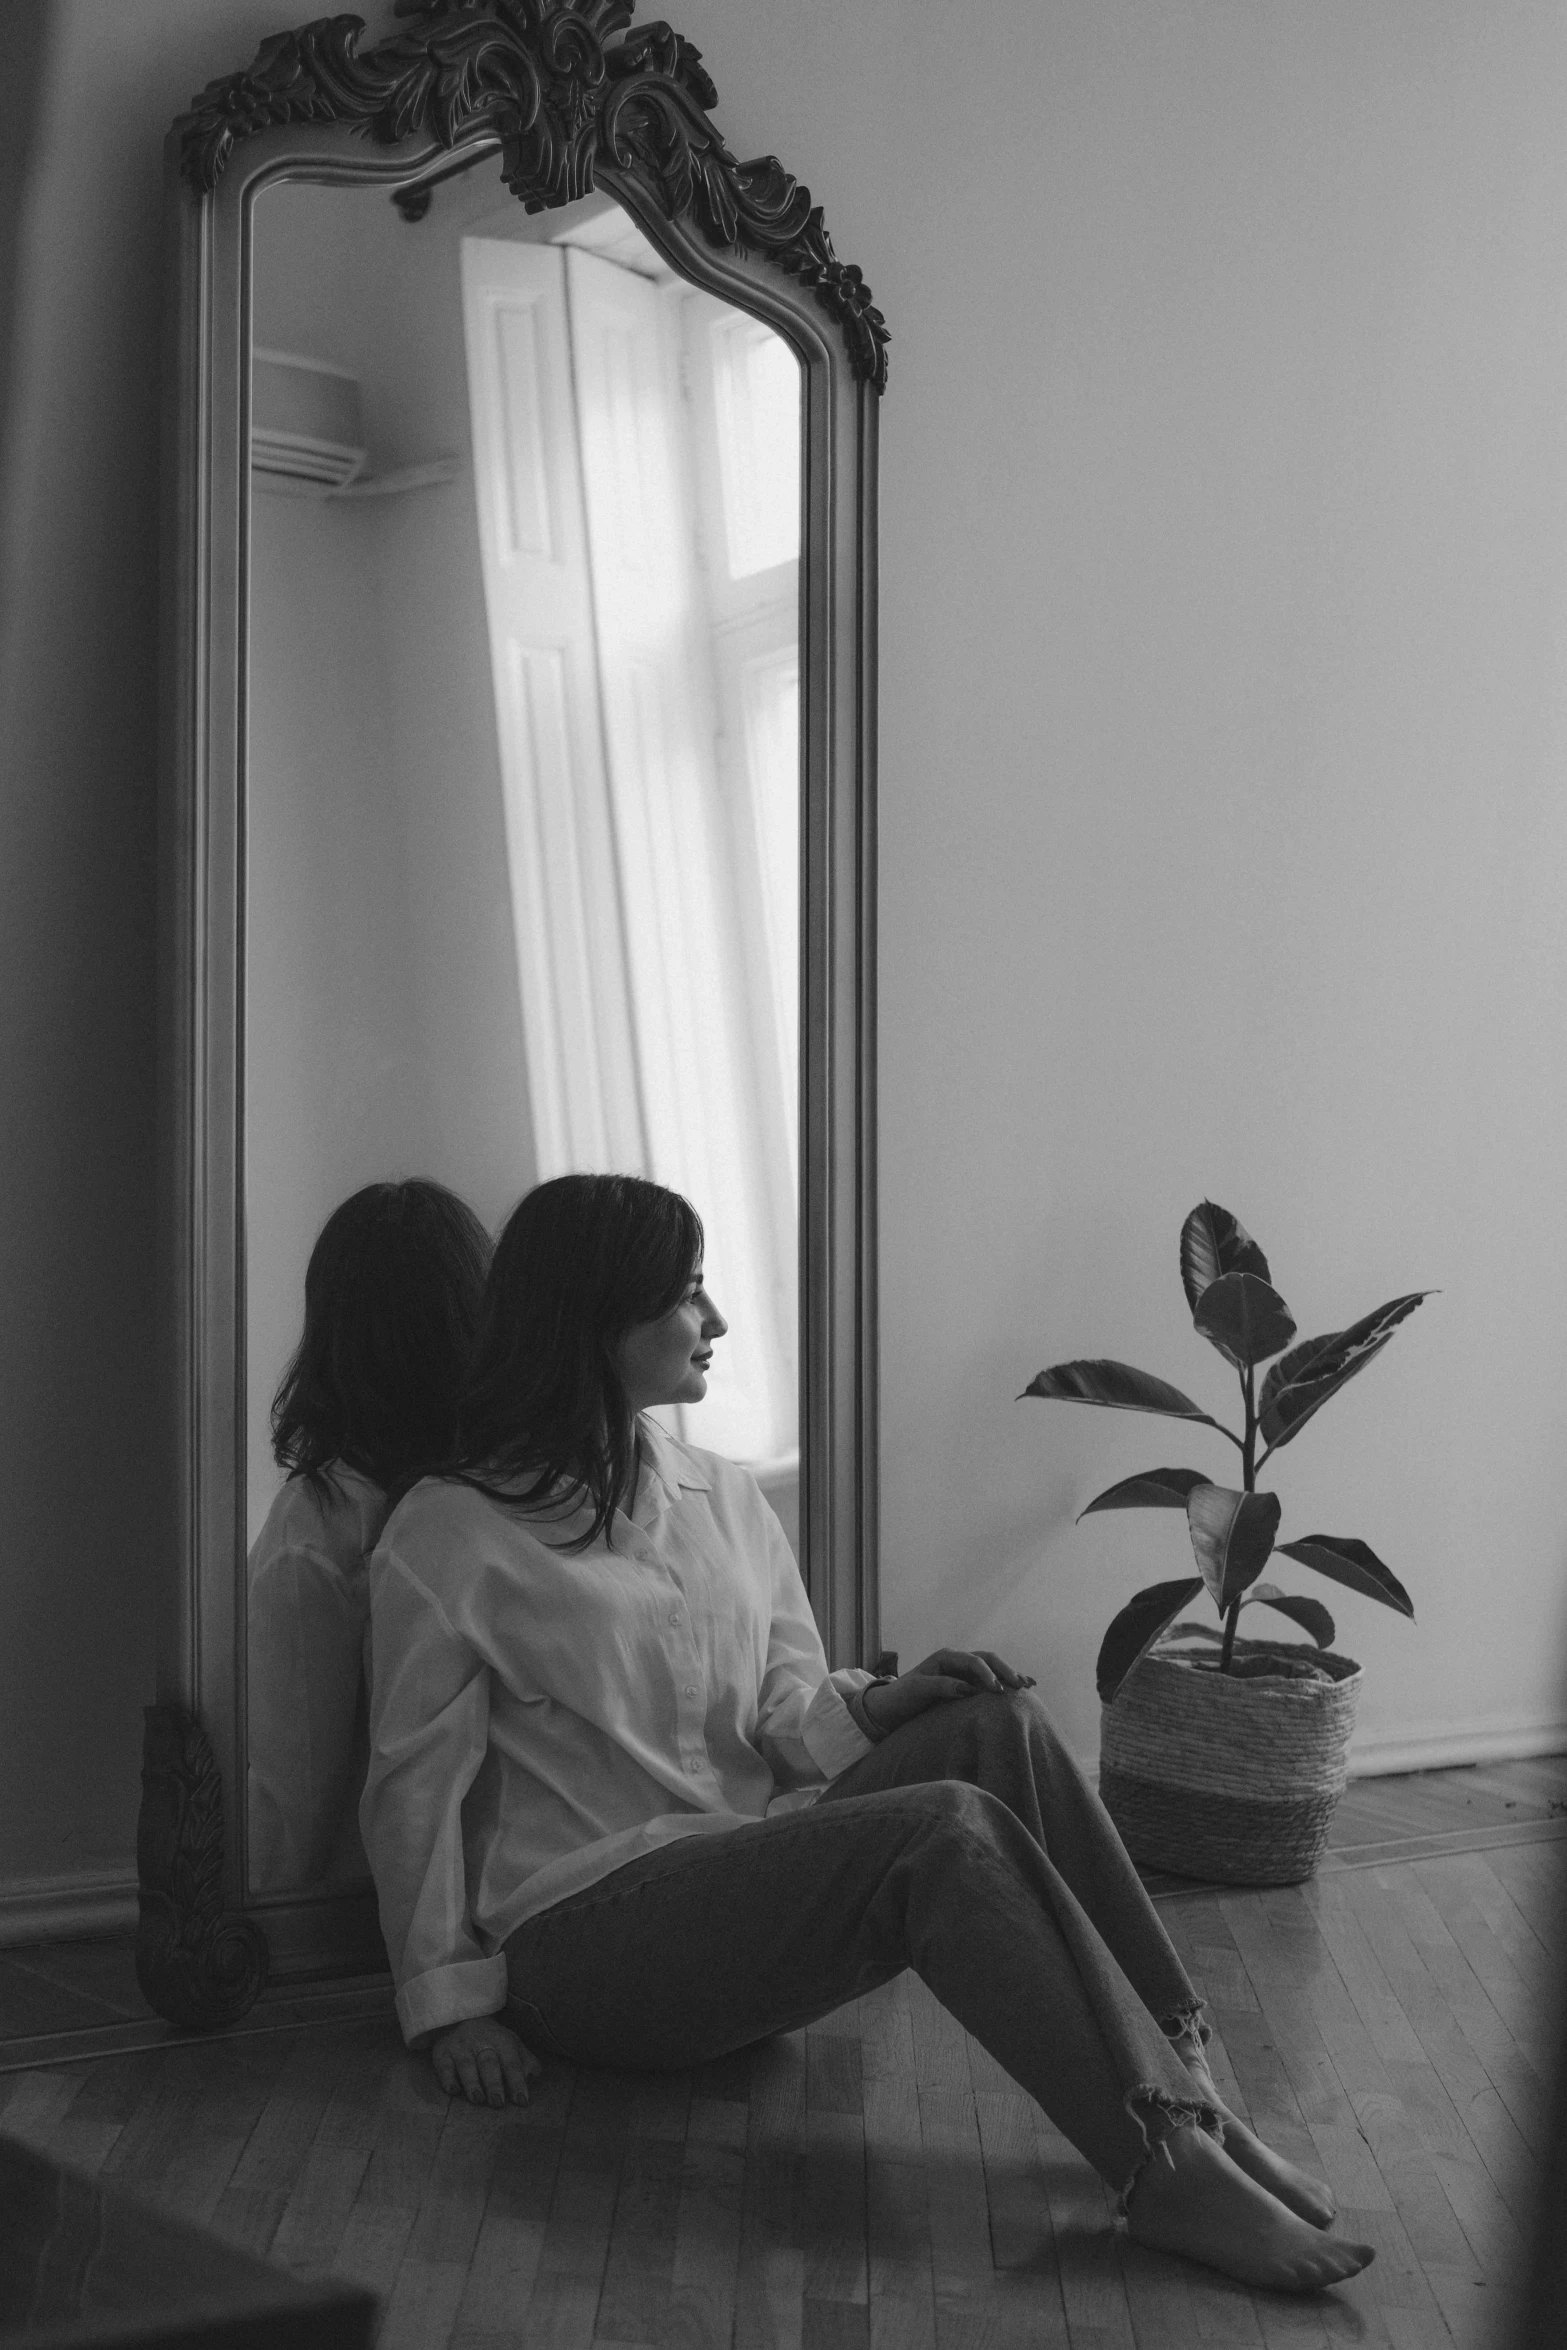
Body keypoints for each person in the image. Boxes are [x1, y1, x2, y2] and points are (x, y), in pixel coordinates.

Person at [360, 1172, 1373, 2295]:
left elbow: (784, 1719)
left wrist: (884, 1705)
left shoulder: (720, 1495)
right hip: (580, 1944)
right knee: (940, 1829)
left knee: (996, 1726)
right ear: (593, 1318)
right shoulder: (451, 1527)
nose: (718, 1322)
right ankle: (1161, 2166)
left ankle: (1199, 2094)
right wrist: (444, 2008)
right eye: (687, 1296)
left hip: (737, 1878)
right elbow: (412, 1790)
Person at [247, 1178, 491, 1891]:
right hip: (502, 1886)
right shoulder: (519, 1497)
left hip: (368, 1911)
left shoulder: (319, 1530)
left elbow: (293, 1804)